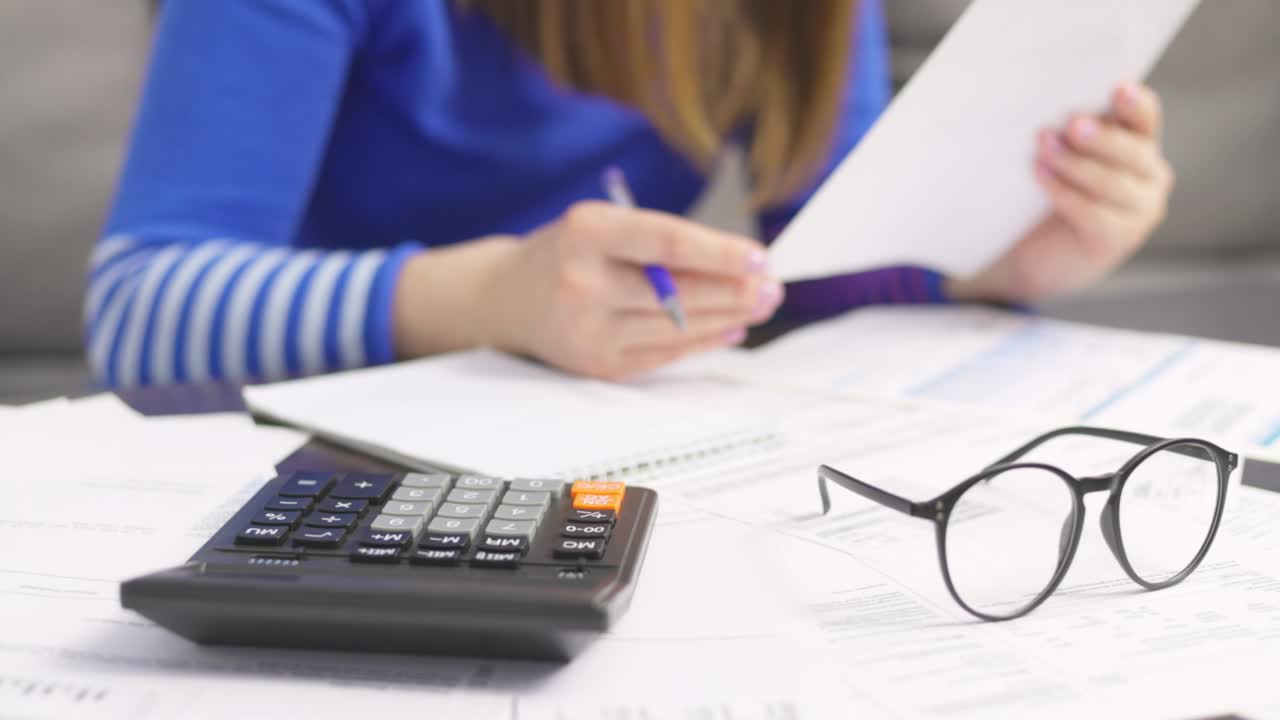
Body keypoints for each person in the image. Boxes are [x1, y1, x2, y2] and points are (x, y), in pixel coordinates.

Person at [86, 0, 1174, 387]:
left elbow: (808, 276)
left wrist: (991, 264)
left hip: (610, 445)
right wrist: (480, 300)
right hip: (321, 458)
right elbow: (140, 311)